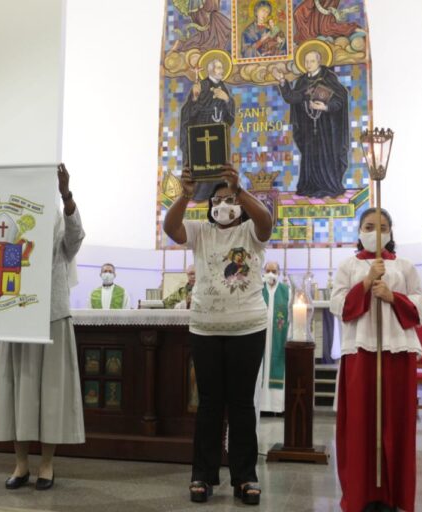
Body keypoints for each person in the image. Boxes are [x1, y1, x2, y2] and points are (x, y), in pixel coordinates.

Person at [164, 164, 273, 505]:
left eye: (229, 200)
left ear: (239, 205)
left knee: (241, 404)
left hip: (248, 327)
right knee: (209, 404)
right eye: (218, 200)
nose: (223, 205)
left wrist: (240, 190)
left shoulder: (250, 233)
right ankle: (203, 474)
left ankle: (245, 476)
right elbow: (171, 228)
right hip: (206, 329)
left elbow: (267, 223)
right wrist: (185, 194)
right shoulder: (201, 232)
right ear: (209, 206)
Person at [0, 163, 85, 491]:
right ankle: (20, 464)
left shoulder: (57, 219)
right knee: (19, 391)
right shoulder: (12, 218)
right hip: (16, 316)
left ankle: (46, 463)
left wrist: (66, 195)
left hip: (52, 316)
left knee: (50, 394)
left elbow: (76, 238)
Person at [330, 207, 422, 512]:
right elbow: (339, 305)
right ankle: (362, 493)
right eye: (370, 226)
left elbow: (421, 306)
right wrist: (365, 283)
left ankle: (392, 493)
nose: (376, 232)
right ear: (359, 231)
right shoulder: (348, 266)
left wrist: (392, 295)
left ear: (391, 232)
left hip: (396, 351)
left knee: (396, 421)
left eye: (383, 226)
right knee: (360, 422)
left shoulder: (404, 265)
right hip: (360, 352)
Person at [271, 49, 349, 198]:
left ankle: (329, 186)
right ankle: (310, 186)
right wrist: (282, 81)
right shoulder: (302, 81)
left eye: (311, 61)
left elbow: (340, 100)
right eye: (306, 61)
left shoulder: (328, 78)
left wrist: (325, 107)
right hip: (307, 125)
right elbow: (292, 98)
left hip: (325, 126)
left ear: (319, 62)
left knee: (325, 155)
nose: (308, 64)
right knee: (309, 156)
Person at [180, 58, 235, 202]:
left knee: (218, 167)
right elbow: (188, 112)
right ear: (210, 70)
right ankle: (199, 196)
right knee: (203, 166)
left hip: (218, 135)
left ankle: (218, 194)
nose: (221, 70)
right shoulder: (202, 85)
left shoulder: (223, 87)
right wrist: (195, 97)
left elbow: (230, 118)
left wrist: (227, 100)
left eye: (221, 67)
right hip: (201, 134)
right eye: (218, 67)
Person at [254, 261, 289, 416]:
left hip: (278, 339)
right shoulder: (258, 290)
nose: (270, 274)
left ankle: (275, 407)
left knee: (276, 364)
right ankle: (260, 406)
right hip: (260, 336)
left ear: (279, 273)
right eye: (267, 270)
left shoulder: (286, 291)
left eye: (274, 271)